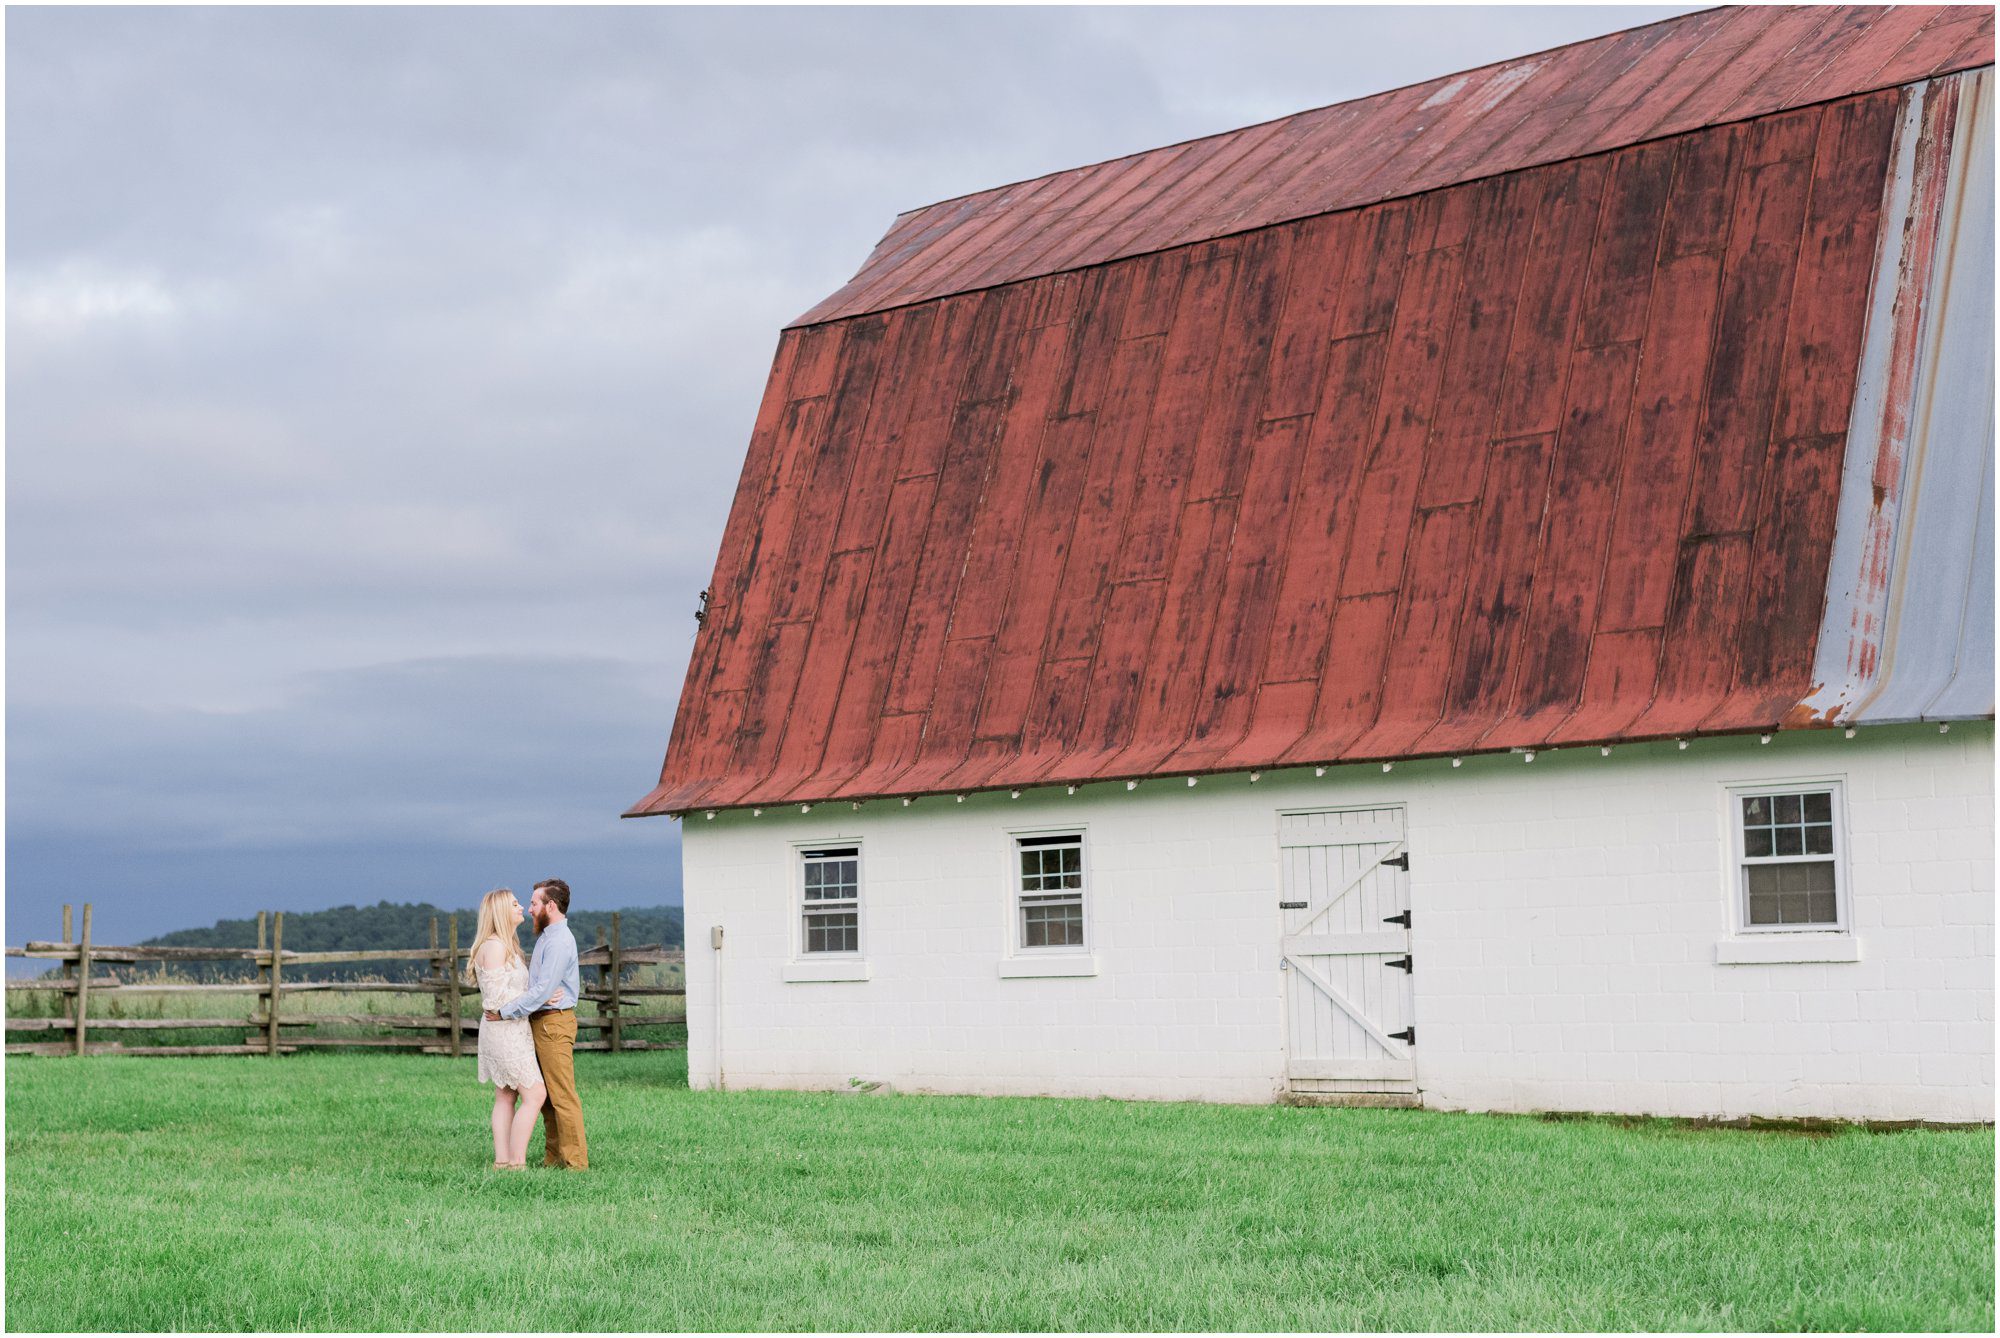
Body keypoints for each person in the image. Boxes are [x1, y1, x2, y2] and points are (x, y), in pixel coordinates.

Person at [485, 878, 586, 1169]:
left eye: (533, 903)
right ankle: (554, 1158)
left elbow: (542, 991)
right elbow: (538, 989)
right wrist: (536, 995)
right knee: (547, 1099)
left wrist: (505, 1011)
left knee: (562, 1095)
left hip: (554, 1024)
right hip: (540, 1021)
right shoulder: (546, 937)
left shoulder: (559, 941)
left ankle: (576, 1162)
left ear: (550, 906)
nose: (529, 909)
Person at [465, 888, 546, 1170]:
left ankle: (502, 1161)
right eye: (514, 904)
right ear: (500, 911)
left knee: (506, 1094)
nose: (522, 907)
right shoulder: (496, 947)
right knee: (535, 1094)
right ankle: (517, 1161)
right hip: (505, 1032)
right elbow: (498, 1001)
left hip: (507, 1029)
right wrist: (541, 999)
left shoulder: (502, 944)